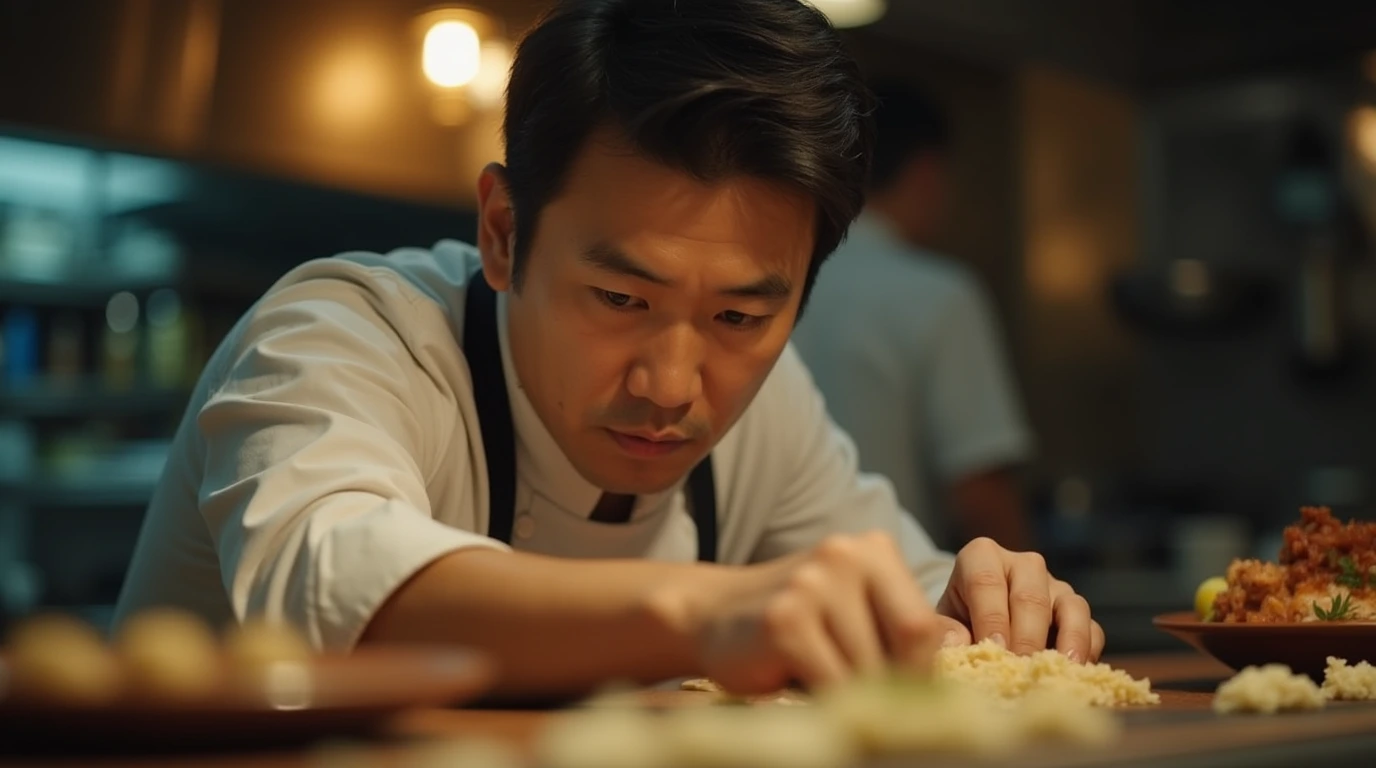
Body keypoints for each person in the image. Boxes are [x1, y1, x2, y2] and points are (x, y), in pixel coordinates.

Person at [115, 0, 1097, 702]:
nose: (671, 386)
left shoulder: (770, 414)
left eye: (740, 318)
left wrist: (981, 598)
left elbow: (901, 587)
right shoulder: (338, 335)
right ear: (502, 231)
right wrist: (706, 610)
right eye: (620, 297)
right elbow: (333, 584)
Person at [792, 80, 1035, 553]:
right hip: (899, 590)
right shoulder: (939, 293)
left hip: (769, 587)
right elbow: (980, 488)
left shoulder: (786, 274)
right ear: (928, 172)